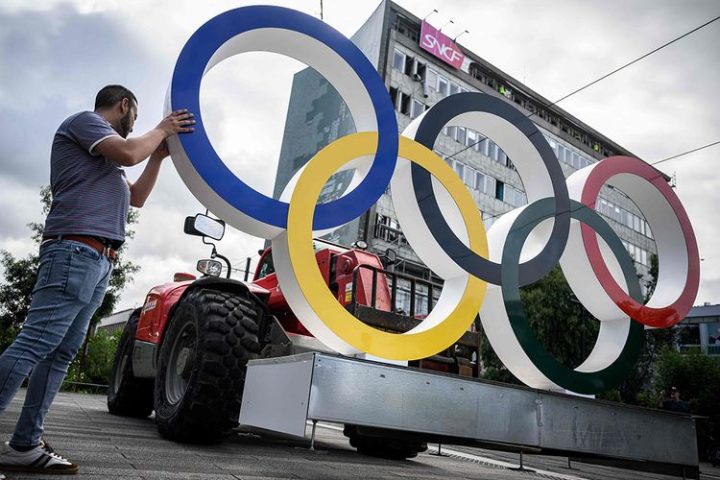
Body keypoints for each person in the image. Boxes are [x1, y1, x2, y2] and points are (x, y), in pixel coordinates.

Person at [0, 85, 194, 476]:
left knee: (58, 354)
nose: (134, 125)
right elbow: (128, 150)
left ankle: (25, 443)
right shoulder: (85, 124)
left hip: (98, 261)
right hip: (74, 251)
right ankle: (23, 441)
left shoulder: (107, 167)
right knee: (35, 343)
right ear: (123, 105)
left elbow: (136, 197)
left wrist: (157, 157)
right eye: (134, 118)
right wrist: (163, 129)